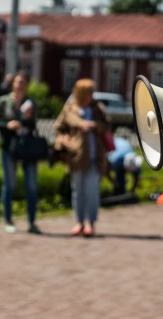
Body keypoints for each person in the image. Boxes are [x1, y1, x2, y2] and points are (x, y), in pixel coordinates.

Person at [54, 79, 112, 237]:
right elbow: (59, 129)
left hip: (95, 156)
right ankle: (79, 221)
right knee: (77, 191)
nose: (91, 95)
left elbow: (108, 126)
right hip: (76, 156)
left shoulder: (97, 108)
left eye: (92, 92)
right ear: (80, 93)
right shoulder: (69, 108)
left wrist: (94, 125)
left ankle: (90, 223)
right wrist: (63, 140)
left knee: (92, 191)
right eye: (88, 92)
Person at [0, 71, 42, 234]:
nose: (20, 85)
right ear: (13, 84)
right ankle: (8, 219)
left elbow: (34, 125)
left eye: (24, 82)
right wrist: (7, 124)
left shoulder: (30, 103)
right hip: (9, 147)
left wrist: (28, 118)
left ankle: (32, 222)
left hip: (28, 148)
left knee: (32, 186)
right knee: (9, 185)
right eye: (18, 81)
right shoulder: (3, 101)